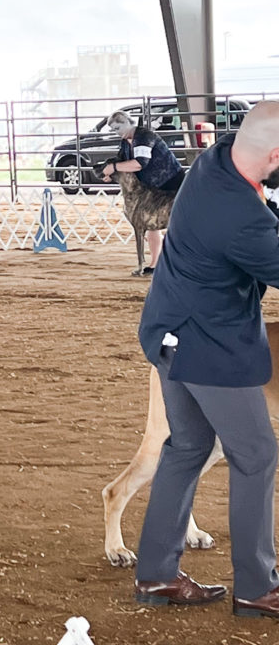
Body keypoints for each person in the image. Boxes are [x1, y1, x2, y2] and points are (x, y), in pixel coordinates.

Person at [133, 100, 279, 617]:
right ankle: (257, 587)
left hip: (169, 331)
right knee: (257, 454)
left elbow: (264, 212)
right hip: (208, 348)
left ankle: (155, 576)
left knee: (188, 446)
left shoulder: (215, 158)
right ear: (274, 154)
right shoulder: (240, 219)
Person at [100, 109, 185, 273]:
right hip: (152, 188)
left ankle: (181, 263)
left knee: (177, 224)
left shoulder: (144, 136)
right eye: (113, 130)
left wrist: (114, 167)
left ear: (127, 123)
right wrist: (110, 173)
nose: (116, 133)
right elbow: (121, 160)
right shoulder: (125, 141)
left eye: (117, 128)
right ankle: (155, 264)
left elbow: (140, 163)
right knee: (151, 224)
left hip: (171, 183)